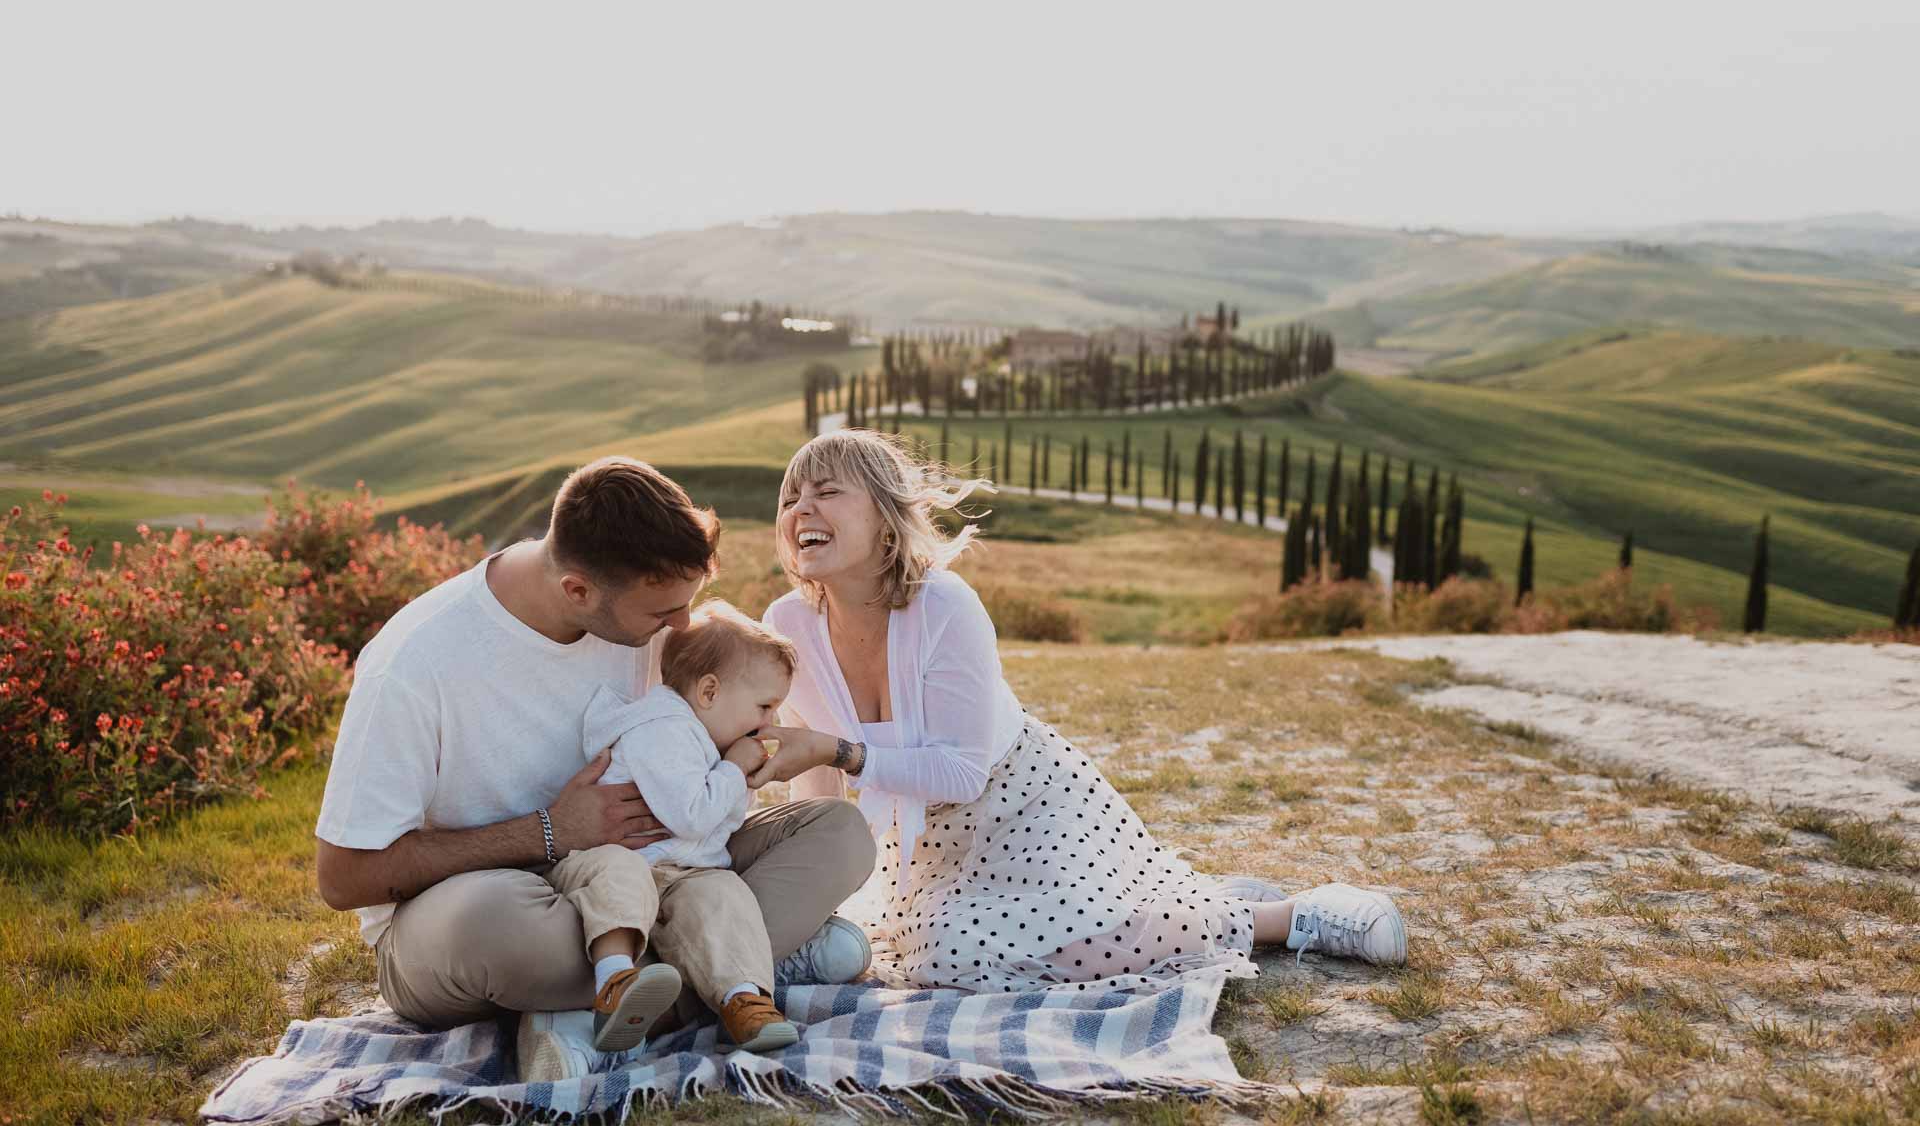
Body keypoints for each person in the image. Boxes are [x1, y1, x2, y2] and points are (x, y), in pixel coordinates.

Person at [750, 430, 1407, 996]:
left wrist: (841, 754)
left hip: (1018, 802)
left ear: (885, 516)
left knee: (1009, 952)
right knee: (937, 959)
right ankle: (1168, 903)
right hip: (916, 841)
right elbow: (820, 790)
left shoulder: (943, 606)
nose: (801, 507)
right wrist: (819, 894)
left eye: (827, 491)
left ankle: (1291, 917)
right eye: (790, 498)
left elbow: (959, 774)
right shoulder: (787, 625)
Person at [313, 457, 875, 1081]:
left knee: (838, 835)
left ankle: (594, 1006)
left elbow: (686, 735)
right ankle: (736, 970)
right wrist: (547, 832)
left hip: (661, 873)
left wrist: (754, 749)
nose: (682, 625)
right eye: (663, 612)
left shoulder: (639, 617)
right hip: (504, 906)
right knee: (490, 921)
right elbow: (343, 878)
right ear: (577, 591)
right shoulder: (415, 664)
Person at [566, 600, 807, 1072]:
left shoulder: (701, 737)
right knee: (620, 877)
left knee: (723, 894)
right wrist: (735, 769)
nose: (767, 725)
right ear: (710, 691)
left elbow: (722, 825)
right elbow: (694, 816)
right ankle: (616, 983)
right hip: (617, 858)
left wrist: (735, 777)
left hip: (682, 872)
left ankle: (743, 999)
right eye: (764, 707)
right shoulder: (664, 729)